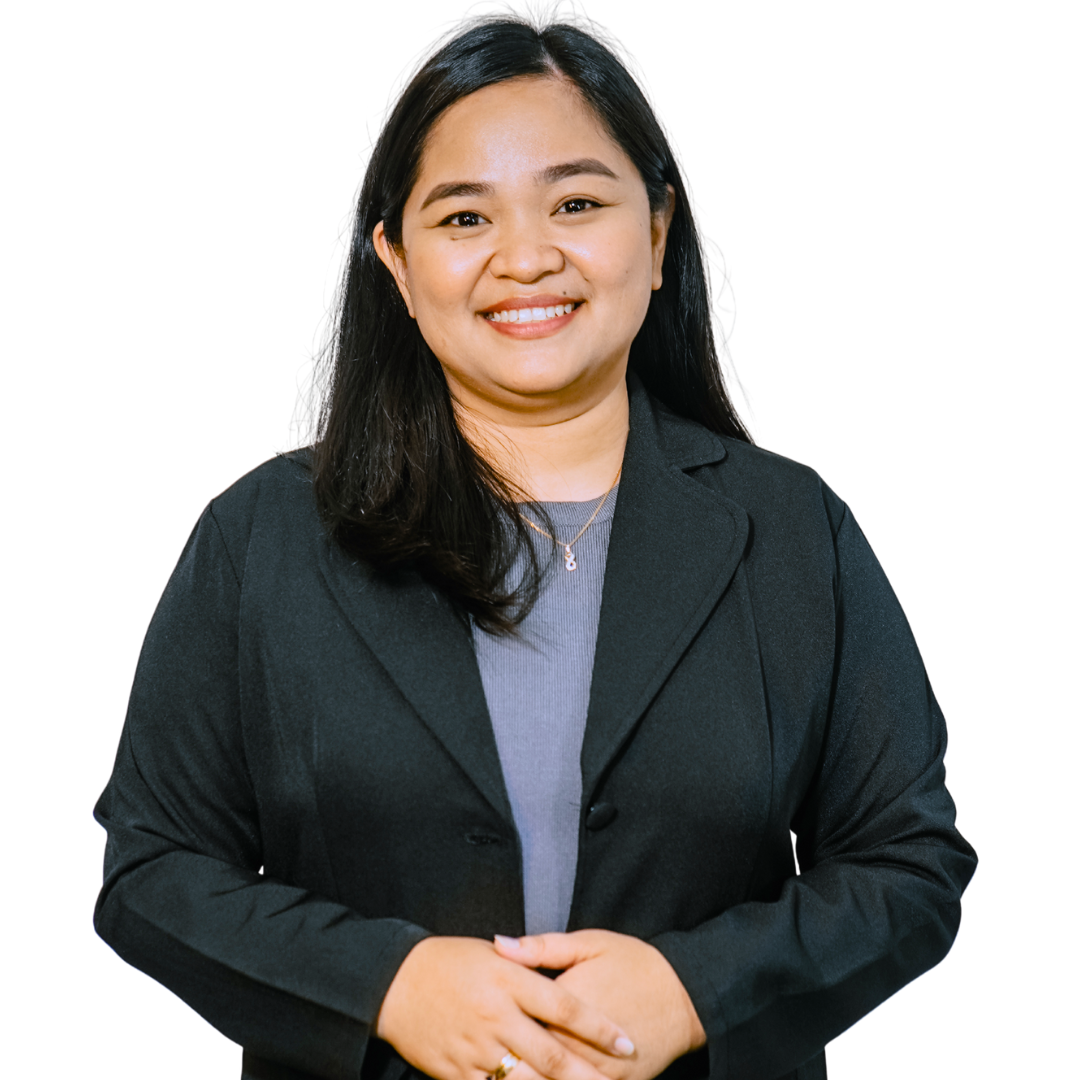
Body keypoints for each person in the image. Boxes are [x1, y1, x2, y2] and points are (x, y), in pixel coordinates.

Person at [93, 17, 977, 1080]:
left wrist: (699, 989)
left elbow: (908, 864)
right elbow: (154, 871)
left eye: (577, 204)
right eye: (465, 216)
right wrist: (386, 985)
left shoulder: (792, 533)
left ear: (655, 236)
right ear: (397, 262)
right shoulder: (264, 540)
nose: (526, 257)